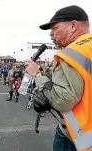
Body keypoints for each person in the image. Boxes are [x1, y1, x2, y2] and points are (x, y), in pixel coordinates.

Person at [25, 5, 92, 151]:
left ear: (73, 26)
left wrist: (37, 75)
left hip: (78, 136)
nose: (51, 34)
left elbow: (63, 100)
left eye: (54, 28)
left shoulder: (72, 54)